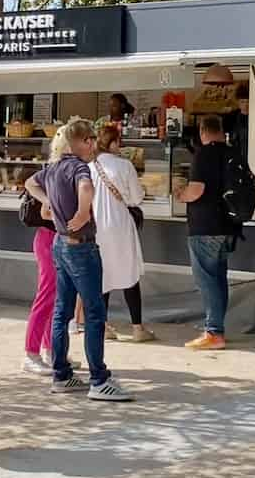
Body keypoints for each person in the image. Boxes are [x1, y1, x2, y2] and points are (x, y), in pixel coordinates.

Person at [26, 119, 134, 401]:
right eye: (91, 141)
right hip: (81, 247)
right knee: (95, 314)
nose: (93, 146)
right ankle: (99, 379)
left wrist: (47, 200)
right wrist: (85, 211)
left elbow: (29, 183)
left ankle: (61, 374)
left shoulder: (52, 168)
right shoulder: (78, 167)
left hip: (60, 245)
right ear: (84, 141)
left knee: (62, 312)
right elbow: (85, 187)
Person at [91, 124, 155, 343]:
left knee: (103, 276)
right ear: (113, 143)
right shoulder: (124, 165)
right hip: (120, 225)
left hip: (97, 227)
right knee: (129, 275)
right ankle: (137, 328)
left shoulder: (89, 166)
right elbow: (136, 198)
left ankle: (104, 326)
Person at [177, 114, 234, 351]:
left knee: (207, 280)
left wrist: (181, 194)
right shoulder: (232, 152)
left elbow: (197, 190)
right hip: (227, 226)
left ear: (202, 131)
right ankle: (218, 327)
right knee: (219, 278)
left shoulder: (203, 155)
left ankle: (213, 332)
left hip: (204, 226)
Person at [22, 205, 62, 374]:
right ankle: (31, 355)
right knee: (46, 297)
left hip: (56, 237)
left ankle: (50, 350)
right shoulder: (48, 179)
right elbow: (46, 212)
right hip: (48, 238)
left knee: (55, 299)